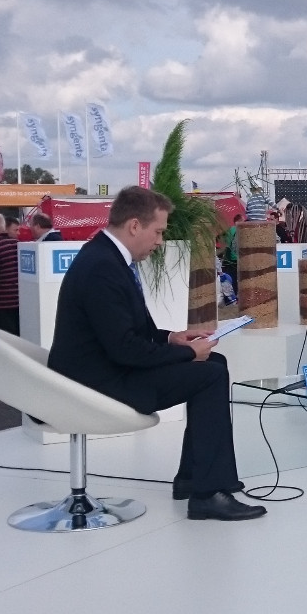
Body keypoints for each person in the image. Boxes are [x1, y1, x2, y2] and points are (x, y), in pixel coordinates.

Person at [48, 186, 263, 521]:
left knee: (214, 363)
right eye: (158, 232)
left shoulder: (106, 258)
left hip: (105, 370)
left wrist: (173, 339)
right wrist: (188, 354)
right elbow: (125, 349)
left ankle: (193, 478)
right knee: (209, 374)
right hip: (98, 382)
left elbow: (127, 333)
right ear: (135, 226)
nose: (160, 241)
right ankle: (207, 493)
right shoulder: (102, 267)